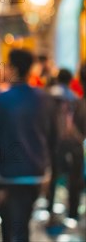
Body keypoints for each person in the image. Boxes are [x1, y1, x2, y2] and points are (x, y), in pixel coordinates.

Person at [0, 49, 55, 241]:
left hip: (6, 175)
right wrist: (49, 170)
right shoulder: (44, 99)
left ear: (11, 68)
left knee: (8, 226)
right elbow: (54, 138)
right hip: (35, 173)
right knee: (23, 225)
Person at [47, 68, 84, 224]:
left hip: (54, 143)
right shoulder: (74, 97)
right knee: (74, 178)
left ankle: (50, 208)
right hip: (74, 142)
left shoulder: (48, 95)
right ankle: (73, 212)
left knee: (53, 176)